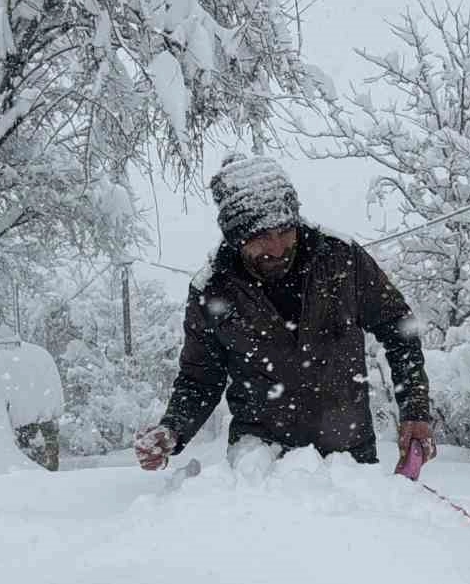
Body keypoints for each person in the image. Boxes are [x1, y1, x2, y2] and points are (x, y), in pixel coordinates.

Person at [133, 154, 435, 471]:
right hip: (260, 467)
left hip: (347, 461)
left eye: (285, 230)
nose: (277, 248)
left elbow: (399, 329)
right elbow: (200, 379)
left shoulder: (339, 259)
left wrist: (415, 410)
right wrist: (173, 429)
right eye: (261, 236)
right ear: (236, 238)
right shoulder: (212, 291)